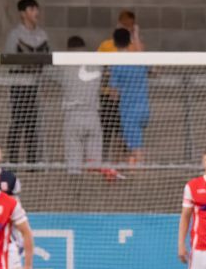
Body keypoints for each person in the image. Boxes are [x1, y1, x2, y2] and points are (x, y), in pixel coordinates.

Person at [4, 0, 50, 164]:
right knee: (18, 121)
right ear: (23, 14)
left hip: (36, 85)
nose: (35, 13)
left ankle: (32, 162)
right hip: (19, 84)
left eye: (36, 9)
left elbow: (47, 59)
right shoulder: (15, 35)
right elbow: (9, 60)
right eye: (31, 9)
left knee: (33, 122)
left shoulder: (42, 34)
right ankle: (14, 160)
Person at [56, 37, 105, 176]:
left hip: (73, 117)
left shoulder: (62, 65)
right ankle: (94, 191)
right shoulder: (97, 63)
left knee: (73, 165)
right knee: (95, 165)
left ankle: (74, 194)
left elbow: (47, 73)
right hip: (93, 116)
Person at [97, 11, 142, 162]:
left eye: (130, 25)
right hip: (108, 95)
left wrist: (135, 36)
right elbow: (98, 67)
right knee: (107, 130)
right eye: (124, 24)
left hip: (128, 99)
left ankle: (121, 163)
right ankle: (104, 163)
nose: (127, 27)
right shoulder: (106, 45)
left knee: (124, 133)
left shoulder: (134, 47)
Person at [108, 28, 150, 168]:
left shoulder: (116, 64)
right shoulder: (138, 60)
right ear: (130, 41)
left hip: (129, 112)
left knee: (136, 148)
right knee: (125, 141)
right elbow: (141, 54)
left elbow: (114, 94)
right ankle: (122, 169)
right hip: (144, 109)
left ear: (114, 42)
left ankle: (139, 177)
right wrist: (136, 35)